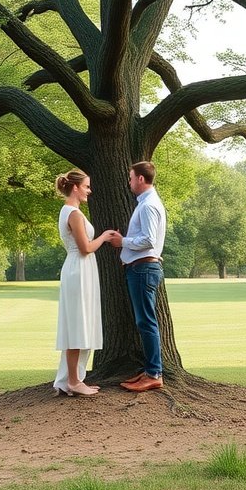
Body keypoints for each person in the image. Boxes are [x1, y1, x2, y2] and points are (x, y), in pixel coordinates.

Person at [53, 168, 116, 397]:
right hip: (78, 269)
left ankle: (73, 378)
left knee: (80, 322)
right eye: (87, 186)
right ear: (76, 187)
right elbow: (86, 247)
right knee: (77, 325)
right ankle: (72, 381)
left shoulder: (70, 211)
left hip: (80, 269)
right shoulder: (74, 214)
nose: (89, 191)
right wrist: (105, 236)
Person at [110, 161, 167, 392]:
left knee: (146, 322)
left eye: (131, 177)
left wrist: (122, 242)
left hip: (143, 270)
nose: (129, 181)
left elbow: (149, 240)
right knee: (144, 321)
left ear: (141, 179)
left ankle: (154, 373)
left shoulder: (148, 205)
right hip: (140, 268)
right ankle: (150, 369)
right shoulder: (145, 203)